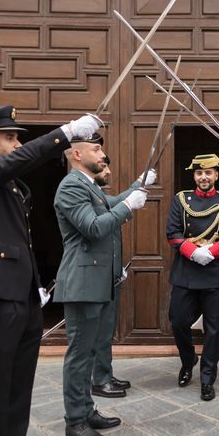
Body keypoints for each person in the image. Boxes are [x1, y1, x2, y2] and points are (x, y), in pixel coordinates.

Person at [0, 105, 101, 436]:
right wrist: (65, 133)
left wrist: (34, 286)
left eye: (18, 137)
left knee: (19, 389)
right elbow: (14, 163)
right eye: (10, 136)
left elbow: (21, 238)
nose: (17, 143)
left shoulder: (11, 185)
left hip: (22, 296)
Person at [53, 134, 150, 436]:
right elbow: (94, 227)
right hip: (82, 284)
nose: (103, 153)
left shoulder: (88, 185)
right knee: (79, 355)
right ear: (77, 154)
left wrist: (138, 185)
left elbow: (110, 203)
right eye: (96, 149)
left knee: (91, 351)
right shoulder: (70, 186)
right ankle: (75, 420)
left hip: (97, 282)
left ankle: (86, 409)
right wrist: (128, 207)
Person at [166, 154, 219, 401]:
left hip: (215, 272)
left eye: (208, 172)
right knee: (178, 321)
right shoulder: (181, 199)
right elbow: (173, 232)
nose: (204, 177)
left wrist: (211, 251)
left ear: (216, 175)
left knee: (213, 330)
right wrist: (193, 251)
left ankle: (208, 379)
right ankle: (188, 361)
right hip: (186, 270)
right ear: (194, 176)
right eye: (199, 173)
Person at [90, 157, 156, 400]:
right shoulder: (84, 191)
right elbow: (102, 221)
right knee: (97, 331)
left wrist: (139, 182)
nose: (108, 171)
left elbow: (115, 202)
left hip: (110, 274)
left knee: (107, 329)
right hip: (96, 274)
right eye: (104, 167)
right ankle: (99, 380)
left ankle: (104, 374)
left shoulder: (96, 192)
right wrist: (130, 202)